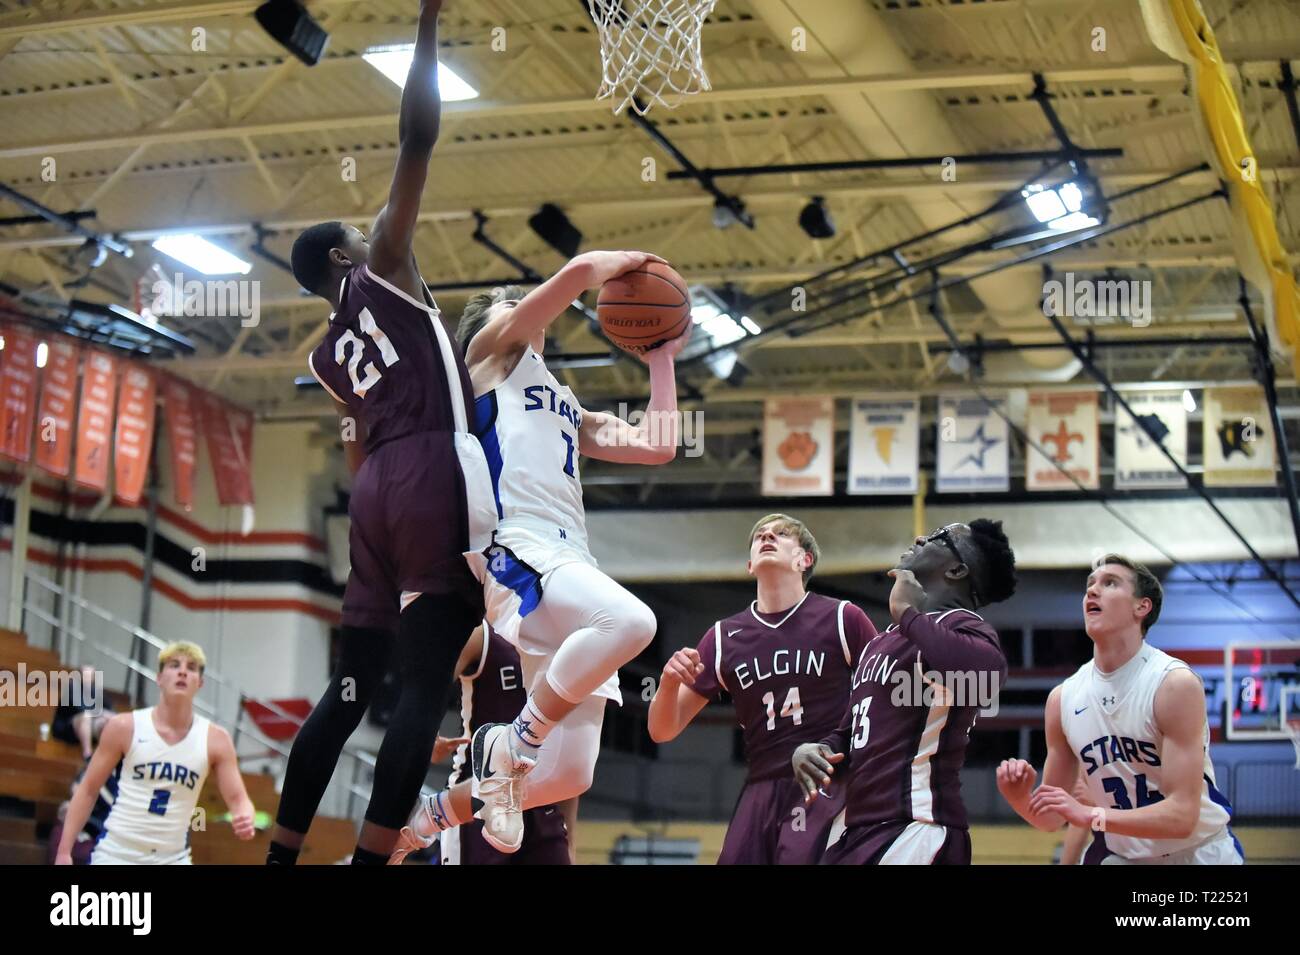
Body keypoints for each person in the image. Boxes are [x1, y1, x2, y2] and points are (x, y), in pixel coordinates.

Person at [268, 0, 497, 866]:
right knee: (424, 685)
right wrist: (428, 27)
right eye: (356, 233)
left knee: (351, 687)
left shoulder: (329, 354)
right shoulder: (382, 268)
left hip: (370, 493)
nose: (374, 230)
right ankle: (370, 861)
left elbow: (355, 444)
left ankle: (283, 855)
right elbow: (418, 140)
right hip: (430, 470)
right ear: (341, 258)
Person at [393, 255, 686, 856]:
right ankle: (512, 744)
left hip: (568, 556)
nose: (531, 323)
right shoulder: (485, 356)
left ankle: (429, 817)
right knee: (631, 622)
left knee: (572, 773)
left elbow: (657, 446)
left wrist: (661, 357)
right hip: (516, 545)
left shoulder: (565, 403)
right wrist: (605, 266)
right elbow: (573, 276)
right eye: (515, 310)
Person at [647, 514, 876, 864]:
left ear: (805, 560)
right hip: (760, 786)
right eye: (760, 536)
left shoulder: (843, 618)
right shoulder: (723, 637)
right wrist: (666, 683)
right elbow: (662, 729)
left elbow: (883, 695)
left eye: (782, 535)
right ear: (750, 564)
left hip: (826, 780)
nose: (768, 535)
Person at [793, 520, 1017, 865]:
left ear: (956, 570)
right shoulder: (880, 643)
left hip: (918, 827)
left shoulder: (961, 625)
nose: (920, 537)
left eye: (939, 536)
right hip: (859, 827)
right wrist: (819, 750)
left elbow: (987, 676)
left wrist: (907, 614)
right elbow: (853, 734)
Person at [996, 554, 1242, 864]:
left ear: (1142, 607)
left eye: (1110, 583)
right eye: (1090, 585)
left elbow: (1182, 816)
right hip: (1124, 856)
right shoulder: (1063, 699)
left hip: (1197, 852)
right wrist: (1019, 798)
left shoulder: (1173, 684)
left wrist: (1092, 815)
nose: (1092, 591)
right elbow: (1052, 819)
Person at [55, 642, 255, 865]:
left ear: (200, 682)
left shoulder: (216, 739)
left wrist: (244, 815)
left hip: (173, 857)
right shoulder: (125, 726)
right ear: (159, 677)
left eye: (191, 667)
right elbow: (88, 790)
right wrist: (64, 851)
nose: (182, 671)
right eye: (174, 665)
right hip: (117, 853)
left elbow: (239, 800)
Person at [398, 624, 573, 865]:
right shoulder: (481, 635)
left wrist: (570, 840)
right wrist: (426, 735)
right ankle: (428, 815)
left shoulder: (562, 642)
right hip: (477, 800)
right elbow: (423, 692)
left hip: (542, 805)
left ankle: (430, 814)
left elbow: (569, 758)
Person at [50, 664, 110, 760]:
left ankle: (106, 756)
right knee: (86, 717)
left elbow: (111, 711)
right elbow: (81, 709)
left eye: (90, 675)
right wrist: (101, 713)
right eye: (85, 675)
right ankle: (88, 755)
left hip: (87, 730)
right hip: (66, 729)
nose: (88, 678)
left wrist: (106, 716)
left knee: (103, 722)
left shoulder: (97, 692)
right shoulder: (72, 688)